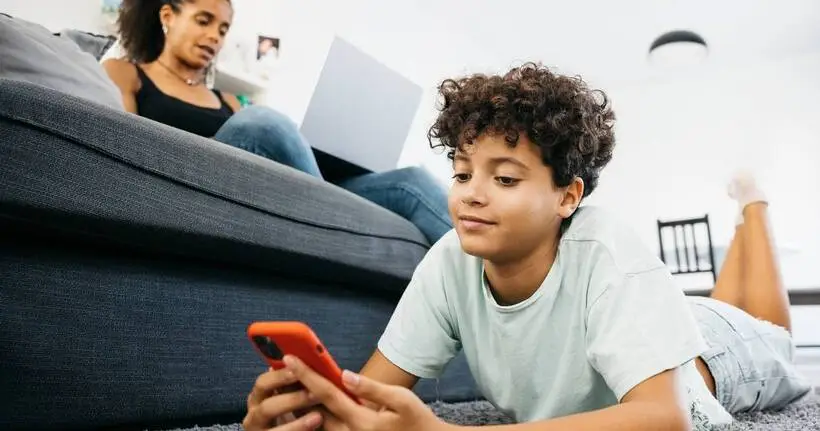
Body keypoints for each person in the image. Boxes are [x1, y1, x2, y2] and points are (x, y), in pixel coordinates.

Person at [242, 63, 812, 431]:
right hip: (649, 321)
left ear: (568, 196)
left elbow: (664, 418)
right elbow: (374, 397)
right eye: (462, 175)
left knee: (766, 321)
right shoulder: (449, 262)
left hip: (716, 350)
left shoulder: (607, 248)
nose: (471, 196)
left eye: (505, 179)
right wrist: (323, 415)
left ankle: (752, 202)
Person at [102, 0, 451, 244]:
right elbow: (127, 148)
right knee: (263, 123)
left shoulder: (228, 100)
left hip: (276, 188)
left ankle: (500, 283)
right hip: (186, 178)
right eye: (204, 20)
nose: (215, 37)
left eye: (223, 29)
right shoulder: (126, 72)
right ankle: (336, 226)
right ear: (168, 16)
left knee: (411, 182)